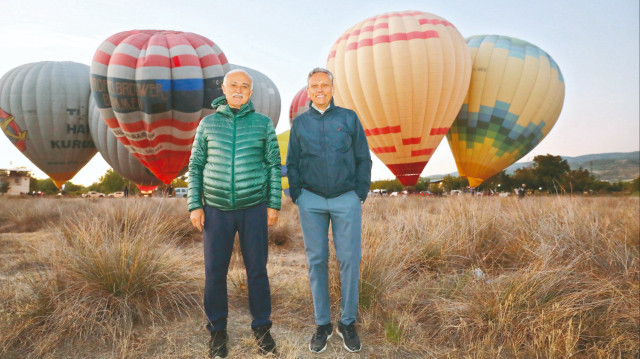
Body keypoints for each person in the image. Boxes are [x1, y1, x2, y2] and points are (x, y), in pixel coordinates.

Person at [188, 69, 281, 358]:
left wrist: (273, 203)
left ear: (251, 93)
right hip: (216, 210)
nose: (239, 89)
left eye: (245, 86)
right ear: (224, 89)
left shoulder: (263, 124)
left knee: (257, 271)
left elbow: (273, 166)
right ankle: (217, 331)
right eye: (234, 85)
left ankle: (262, 328)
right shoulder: (207, 124)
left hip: (253, 208)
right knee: (215, 272)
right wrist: (195, 204)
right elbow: (195, 167)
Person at [287, 67, 372, 354]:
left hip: (345, 198)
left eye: (325, 85)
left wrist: (359, 192)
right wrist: (298, 193)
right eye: (314, 86)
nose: (320, 89)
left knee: (349, 260)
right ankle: (322, 324)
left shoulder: (348, 118)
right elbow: (293, 162)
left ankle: (347, 323)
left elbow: (363, 157)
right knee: (317, 262)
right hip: (311, 200)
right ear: (308, 91)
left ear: (333, 89)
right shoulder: (300, 124)